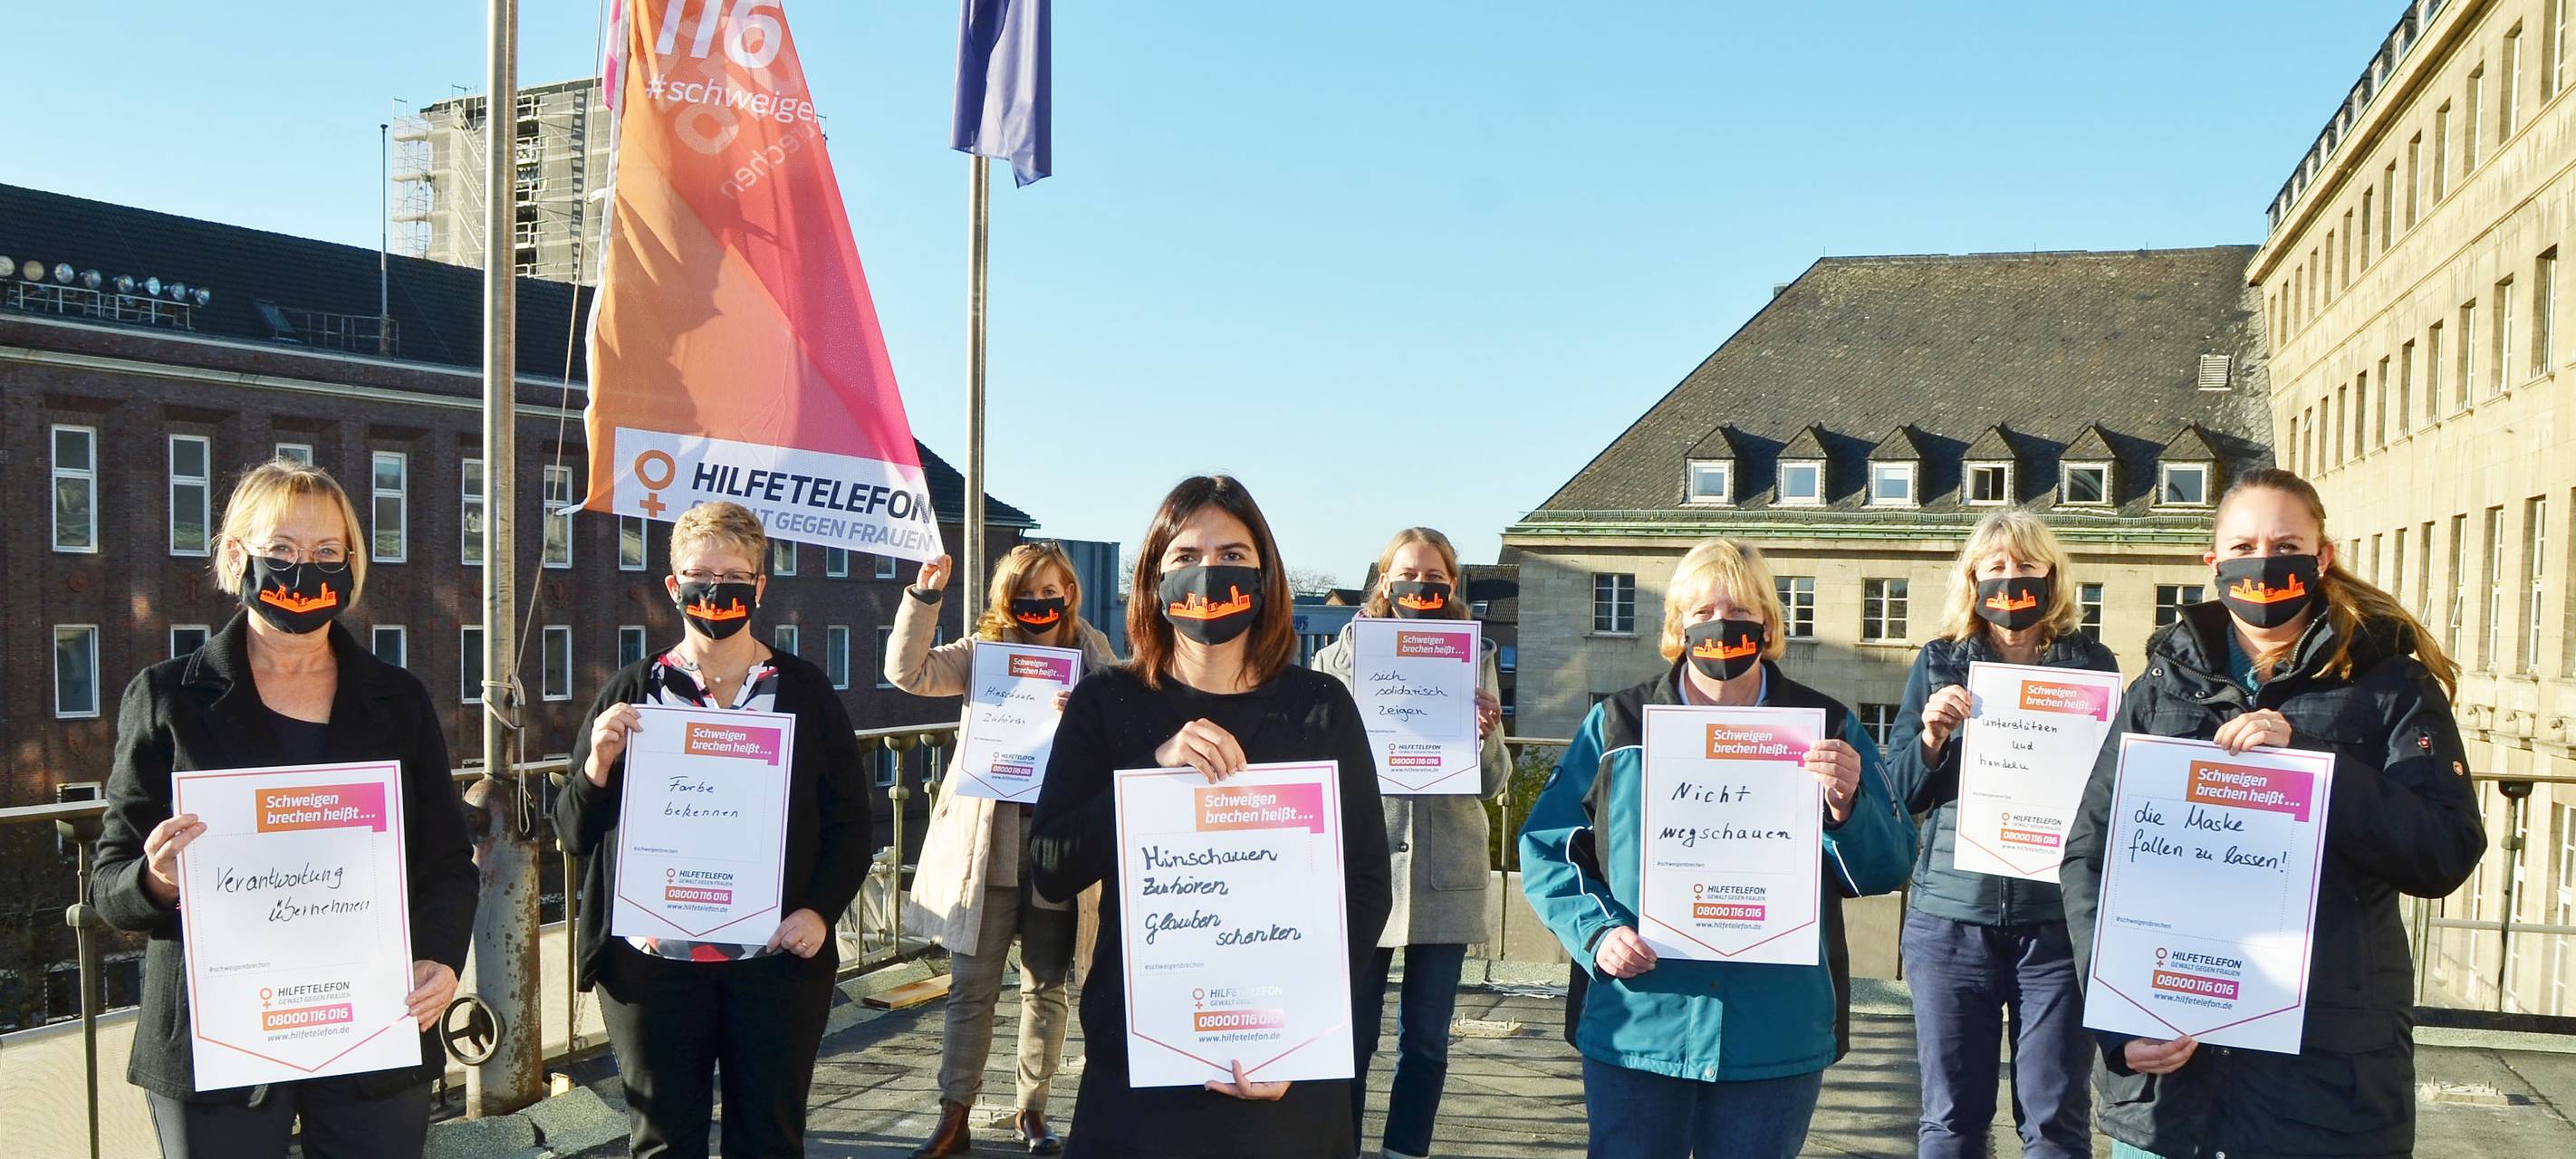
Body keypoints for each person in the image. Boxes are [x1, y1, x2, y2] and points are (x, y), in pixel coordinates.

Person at [2062, 468, 2485, 1159]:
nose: (2263, 562)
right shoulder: (2160, 686)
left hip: (2323, 1090)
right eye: (2244, 546)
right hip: (2170, 1089)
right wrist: (2114, 1018)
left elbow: (2444, 851)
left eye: (2286, 545)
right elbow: (2089, 853)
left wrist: (2315, 767)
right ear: (2214, 563)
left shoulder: (2392, 684)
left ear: (2323, 557)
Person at [94, 459, 477, 1159]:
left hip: (372, 1026)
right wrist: (157, 879)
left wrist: (443, 960)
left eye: (328, 551)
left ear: (352, 563)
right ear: (236, 556)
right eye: (282, 549)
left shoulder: (399, 698)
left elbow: (448, 860)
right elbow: (109, 883)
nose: (306, 569)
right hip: (218, 1043)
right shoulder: (167, 698)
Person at [1028, 474, 1393, 1159]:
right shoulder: (1106, 701)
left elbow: (1367, 885)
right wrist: (1151, 772)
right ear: (1153, 577)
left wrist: (1300, 1036)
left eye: (1232, 555)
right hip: (1145, 1056)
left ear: (1265, 575)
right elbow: (1050, 866)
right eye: (1187, 555)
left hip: (1282, 1070)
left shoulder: (1321, 708)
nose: (1209, 572)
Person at [1518, 538, 1915, 1159]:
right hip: (1641, 1020)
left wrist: (1846, 807)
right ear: (1677, 624)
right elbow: (1548, 848)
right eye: (1702, 610)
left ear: (1769, 624)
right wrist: (1597, 932)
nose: (1720, 624)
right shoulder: (1619, 724)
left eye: (1740, 610)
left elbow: (1888, 866)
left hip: (1773, 1031)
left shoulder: (1827, 725)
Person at [554, 502, 872, 1159]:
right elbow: (573, 833)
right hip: (652, 969)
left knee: (769, 1141)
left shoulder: (805, 692)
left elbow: (850, 824)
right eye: (701, 575)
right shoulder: (632, 693)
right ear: (674, 587)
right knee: (664, 1144)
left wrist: (819, 911)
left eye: (734, 576)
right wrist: (597, 766)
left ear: (760, 587)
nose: (716, 590)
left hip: (774, 963)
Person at [1882, 511, 2114, 1159]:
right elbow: (1899, 791)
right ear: (1973, 579)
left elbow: (2108, 786)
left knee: (2056, 1119)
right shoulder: (1939, 660)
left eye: (2027, 565)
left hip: (2056, 924)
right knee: (1950, 1118)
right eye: (1997, 566)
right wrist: (1931, 737)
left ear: (2052, 576)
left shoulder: (2091, 663)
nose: (2012, 578)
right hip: (1952, 920)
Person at [897, 542, 1120, 1158]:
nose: (1040, 604)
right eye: (1027, 594)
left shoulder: (1093, 654)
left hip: (1059, 848)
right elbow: (909, 673)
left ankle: (1032, 1111)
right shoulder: (983, 651)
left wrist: (1089, 711)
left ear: (1069, 594)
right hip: (988, 845)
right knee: (971, 986)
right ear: (1007, 597)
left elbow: (1126, 722)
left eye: (1051, 592)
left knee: (1046, 985)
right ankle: (954, 1114)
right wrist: (924, 597)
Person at [1309, 527, 1510, 1159]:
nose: (1420, 587)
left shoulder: (1473, 656)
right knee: (1352, 1038)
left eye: (1434, 577)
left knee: (1425, 1041)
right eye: (1407, 575)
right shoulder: (1334, 660)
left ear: (1452, 583)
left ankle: (1405, 1151)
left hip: (1447, 873)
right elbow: (1315, 765)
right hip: (1363, 873)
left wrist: (1485, 735)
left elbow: (1493, 782)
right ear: (1383, 580)